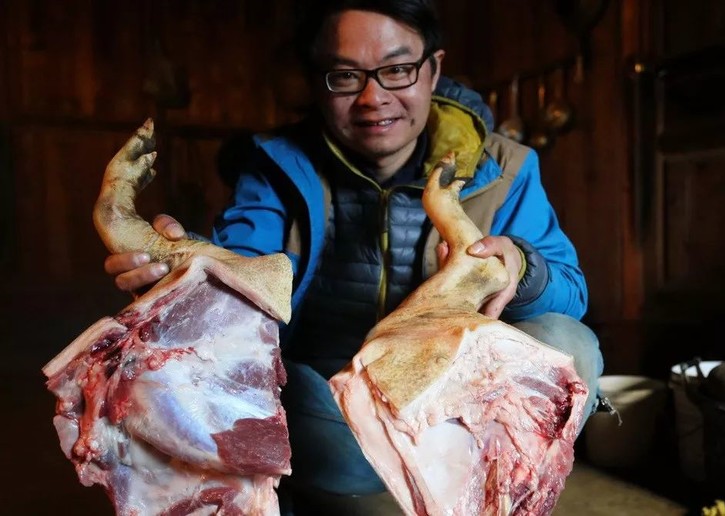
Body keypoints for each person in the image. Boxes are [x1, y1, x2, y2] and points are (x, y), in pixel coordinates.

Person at [105, 0, 604, 512]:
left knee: (572, 343)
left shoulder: (503, 167)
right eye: (345, 75)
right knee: (315, 430)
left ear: (432, 69)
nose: (373, 98)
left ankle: (488, 495)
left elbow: (571, 290)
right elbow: (243, 264)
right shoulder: (276, 167)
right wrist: (183, 277)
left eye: (397, 69)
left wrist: (520, 267)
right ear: (317, 80)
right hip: (327, 409)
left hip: (451, 397)